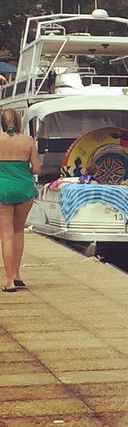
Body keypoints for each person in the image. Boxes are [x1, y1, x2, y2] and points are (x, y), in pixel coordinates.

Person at [0, 109, 40, 292]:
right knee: (18, 231)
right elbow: (37, 169)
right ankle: (16, 274)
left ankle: (9, 282)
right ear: (19, 121)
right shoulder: (28, 141)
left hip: (2, 188)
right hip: (24, 188)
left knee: (6, 235)